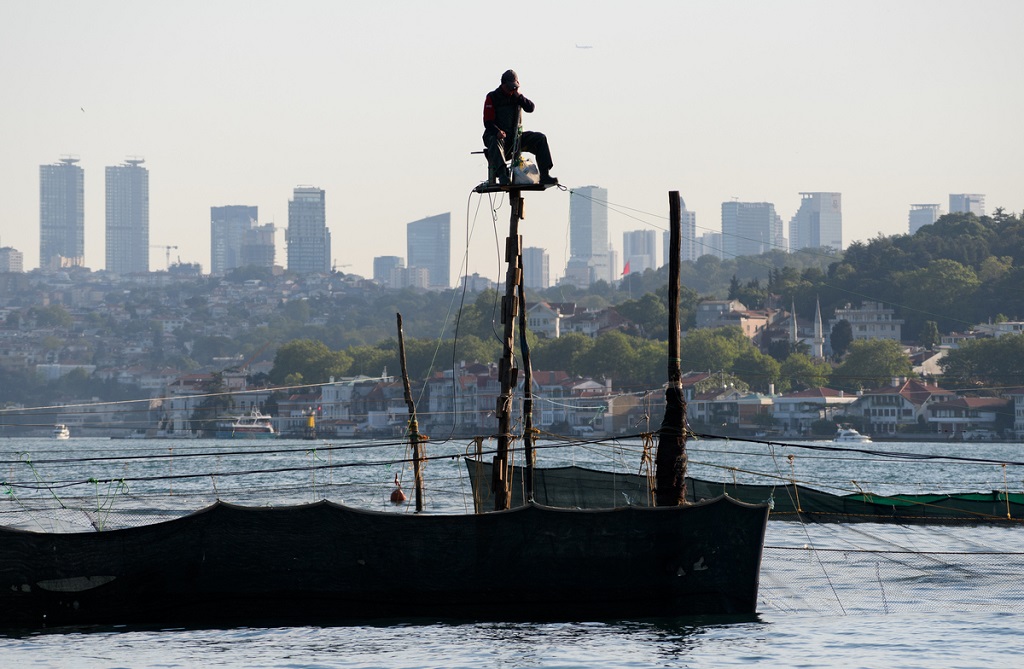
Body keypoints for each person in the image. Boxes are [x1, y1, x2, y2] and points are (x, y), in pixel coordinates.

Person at [482, 69, 557, 186]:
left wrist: (520, 96)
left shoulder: (517, 97)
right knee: (495, 141)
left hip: (515, 136)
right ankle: (503, 175)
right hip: (497, 136)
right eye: (510, 87)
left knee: (540, 138)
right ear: (503, 84)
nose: (512, 90)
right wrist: (497, 132)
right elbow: (487, 122)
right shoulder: (492, 97)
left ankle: (545, 175)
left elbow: (530, 108)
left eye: (514, 87)